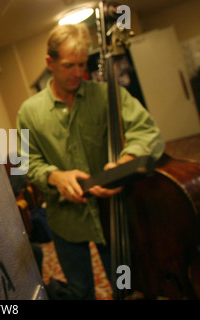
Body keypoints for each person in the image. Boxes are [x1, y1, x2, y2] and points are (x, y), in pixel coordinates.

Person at [16, 23, 165, 300]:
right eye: (69, 65)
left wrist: (127, 161)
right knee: (80, 290)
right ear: (50, 62)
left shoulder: (108, 94)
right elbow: (28, 162)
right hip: (66, 220)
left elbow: (147, 132)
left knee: (125, 284)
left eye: (83, 64)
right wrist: (56, 176)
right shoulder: (28, 112)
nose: (78, 73)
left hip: (113, 213)